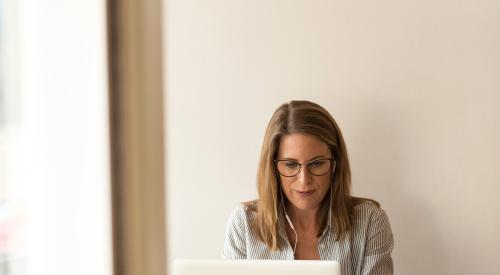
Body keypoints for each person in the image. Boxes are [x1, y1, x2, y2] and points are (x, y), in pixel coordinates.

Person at [222, 100, 394, 275]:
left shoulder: (370, 222)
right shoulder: (244, 224)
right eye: (290, 164)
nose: (304, 180)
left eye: (317, 164)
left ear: (335, 163)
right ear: (273, 168)